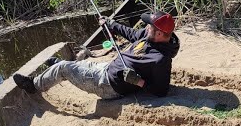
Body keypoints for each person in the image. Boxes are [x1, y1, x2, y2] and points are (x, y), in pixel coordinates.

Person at [13, 11, 180, 99]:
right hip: (107, 68)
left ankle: (33, 85)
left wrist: (138, 81)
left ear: (159, 34)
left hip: (108, 85)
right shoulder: (149, 36)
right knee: (80, 65)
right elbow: (130, 33)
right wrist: (110, 24)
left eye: (150, 26)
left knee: (64, 68)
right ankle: (58, 67)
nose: (147, 26)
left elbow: (161, 91)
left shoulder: (161, 60)